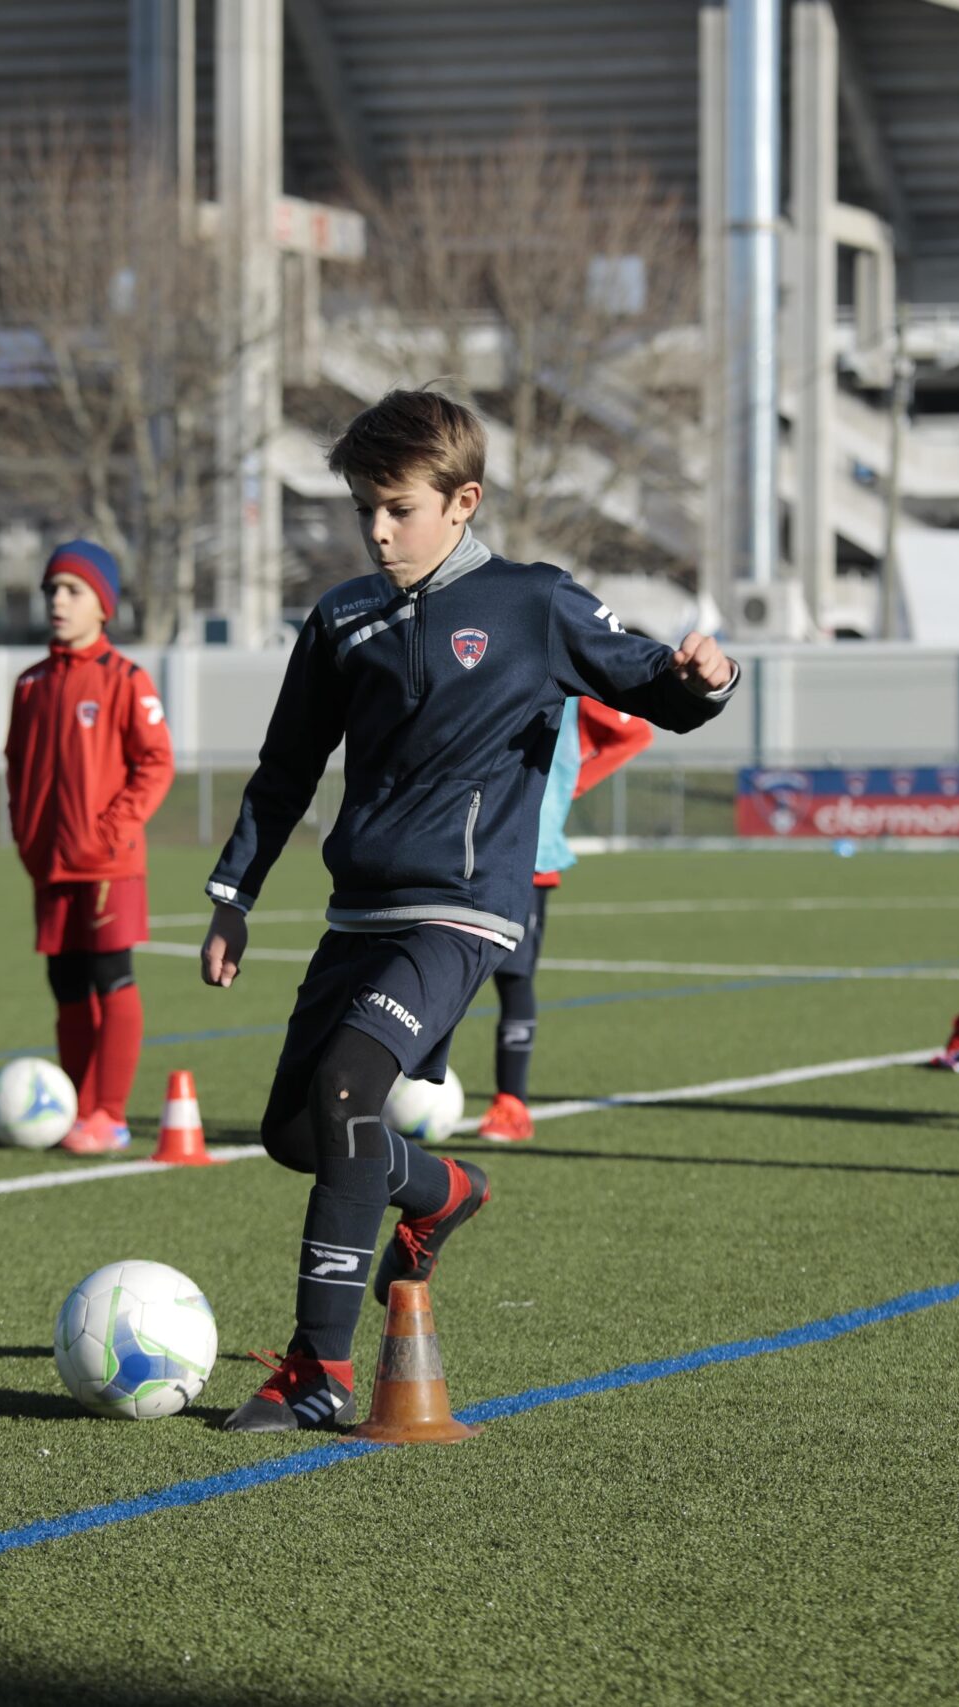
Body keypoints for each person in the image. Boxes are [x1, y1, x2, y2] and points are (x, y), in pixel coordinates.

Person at [197, 388, 739, 1433]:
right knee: (294, 1132)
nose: (377, 529)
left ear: (463, 502)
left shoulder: (533, 603)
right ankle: (440, 1191)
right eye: (365, 510)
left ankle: (319, 1369)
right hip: (357, 912)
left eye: (397, 508)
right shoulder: (343, 618)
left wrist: (703, 681)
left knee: (353, 1091)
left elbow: (654, 687)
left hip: (463, 911)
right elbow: (284, 770)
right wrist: (233, 899)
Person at [3, 541, 174, 1155]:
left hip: (108, 865)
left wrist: (111, 830)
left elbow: (156, 764)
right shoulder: (30, 685)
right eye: (51, 590)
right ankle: (71, 1108)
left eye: (72, 591)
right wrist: (26, 836)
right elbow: (16, 769)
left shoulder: (126, 679)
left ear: (102, 605)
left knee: (112, 980)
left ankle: (111, 1112)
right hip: (50, 866)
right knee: (66, 984)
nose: (58, 601)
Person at [474, 697, 653, 1143]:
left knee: (513, 978)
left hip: (527, 856)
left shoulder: (571, 681)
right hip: (456, 850)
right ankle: (406, 1085)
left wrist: (574, 779)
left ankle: (511, 1104)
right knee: (433, 972)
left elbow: (636, 731)